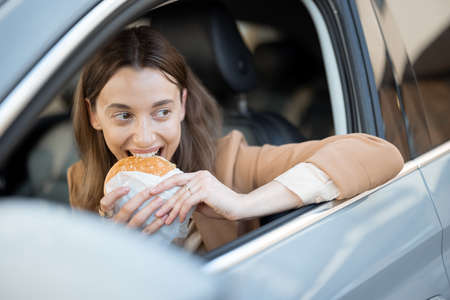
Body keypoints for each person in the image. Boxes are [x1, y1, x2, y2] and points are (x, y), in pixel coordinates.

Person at [68, 26, 404, 252]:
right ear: (94, 115)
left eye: (162, 112)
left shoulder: (230, 162)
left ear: (182, 106)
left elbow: (379, 153)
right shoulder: (85, 181)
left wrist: (241, 204)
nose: (143, 137)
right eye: (124, 115)